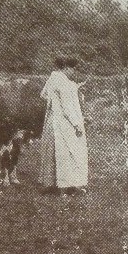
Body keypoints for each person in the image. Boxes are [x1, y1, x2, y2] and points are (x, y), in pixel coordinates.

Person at [38, 56, 88, 195]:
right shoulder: (64, 83)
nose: (74, 73)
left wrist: (54, 103)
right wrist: (77, 124)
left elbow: (43, 95)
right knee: (67, 154)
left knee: (53, 153)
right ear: (66, 68)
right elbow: (67, 108)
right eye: (73, 70)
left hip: (52, 122)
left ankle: (54, 184)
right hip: (63, 124)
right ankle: (65, 188)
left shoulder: (53, 78)